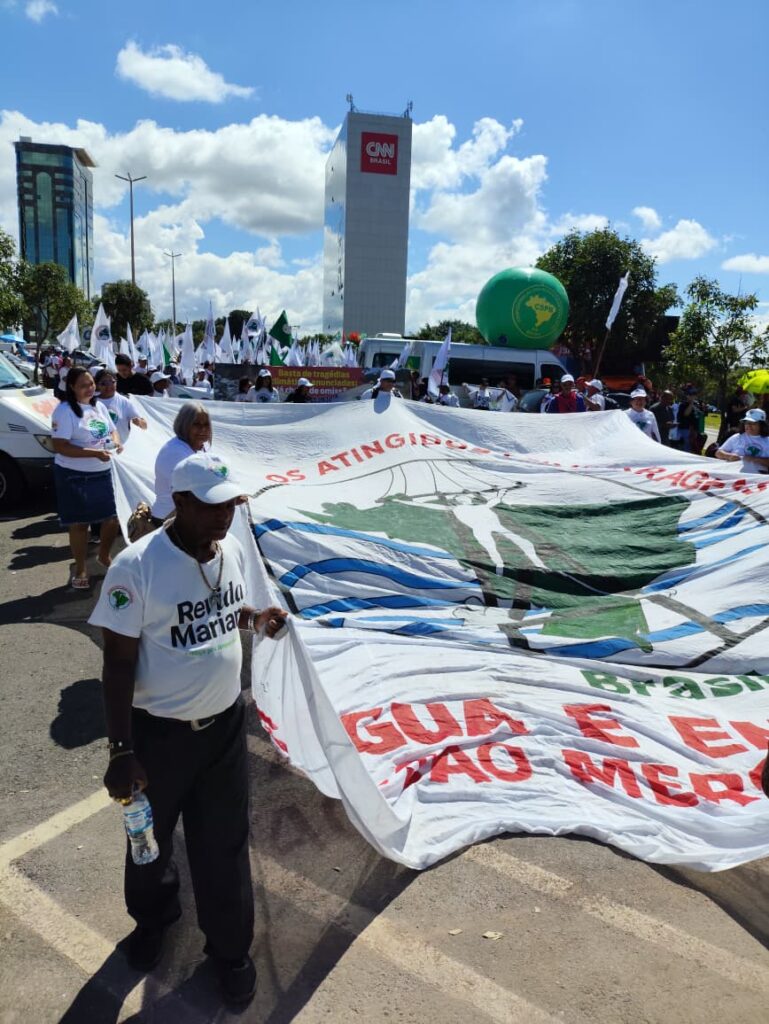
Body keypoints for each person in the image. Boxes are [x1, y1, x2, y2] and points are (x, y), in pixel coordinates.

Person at [89, 452, 287, 1004]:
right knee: (147, 843)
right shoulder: (137, 566)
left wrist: (258, 621)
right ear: (180, 502)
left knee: (223, 845)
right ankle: (153, 920)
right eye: (215, 506)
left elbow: (230, 610)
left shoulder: (228, 549)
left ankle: (229, 951)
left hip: (224, 728)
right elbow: (118, 663)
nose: (226, 516)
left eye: (232, 505)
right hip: (158, 738)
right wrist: (122, 751)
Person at [50, 367, 123, 588]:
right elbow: (60, 447)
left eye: (91, 383)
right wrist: (94, 453)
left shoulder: (98, 406)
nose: (90, 388)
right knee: (80, 524)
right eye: (84, 385)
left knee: (112, 519)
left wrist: (116, 442)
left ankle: (103, 555)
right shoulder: (63, 411)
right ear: (71, 387)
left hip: (102, 471)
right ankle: (81, 567)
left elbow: (113, 430)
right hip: (74, 475)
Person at [151, 402, 213, 526]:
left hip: (184, 516)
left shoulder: (198, 447)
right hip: (170, 520)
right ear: (184, 425)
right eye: (196, 424)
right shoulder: (176, 452)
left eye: (206, 424)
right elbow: (197, 491)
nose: (203, 429)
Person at [94, 368, 148, 445]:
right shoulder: (91, 402)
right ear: (97, 385)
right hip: (98, 450)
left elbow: (145, 426)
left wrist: (139, 422)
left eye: (112, 382)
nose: (108, 386)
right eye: (103, 383)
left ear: (116, 382)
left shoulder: (125, 402)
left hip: (121, 451)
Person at [715, 408, 769, 473]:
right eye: (746, 422)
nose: (748, 426)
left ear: (762, 425)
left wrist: (753, 459)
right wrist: (729, 456)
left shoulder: (767, 441)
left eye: (753, 423)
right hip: (733, 473)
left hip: (757, 477)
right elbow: (718, 453)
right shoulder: (737, 437)